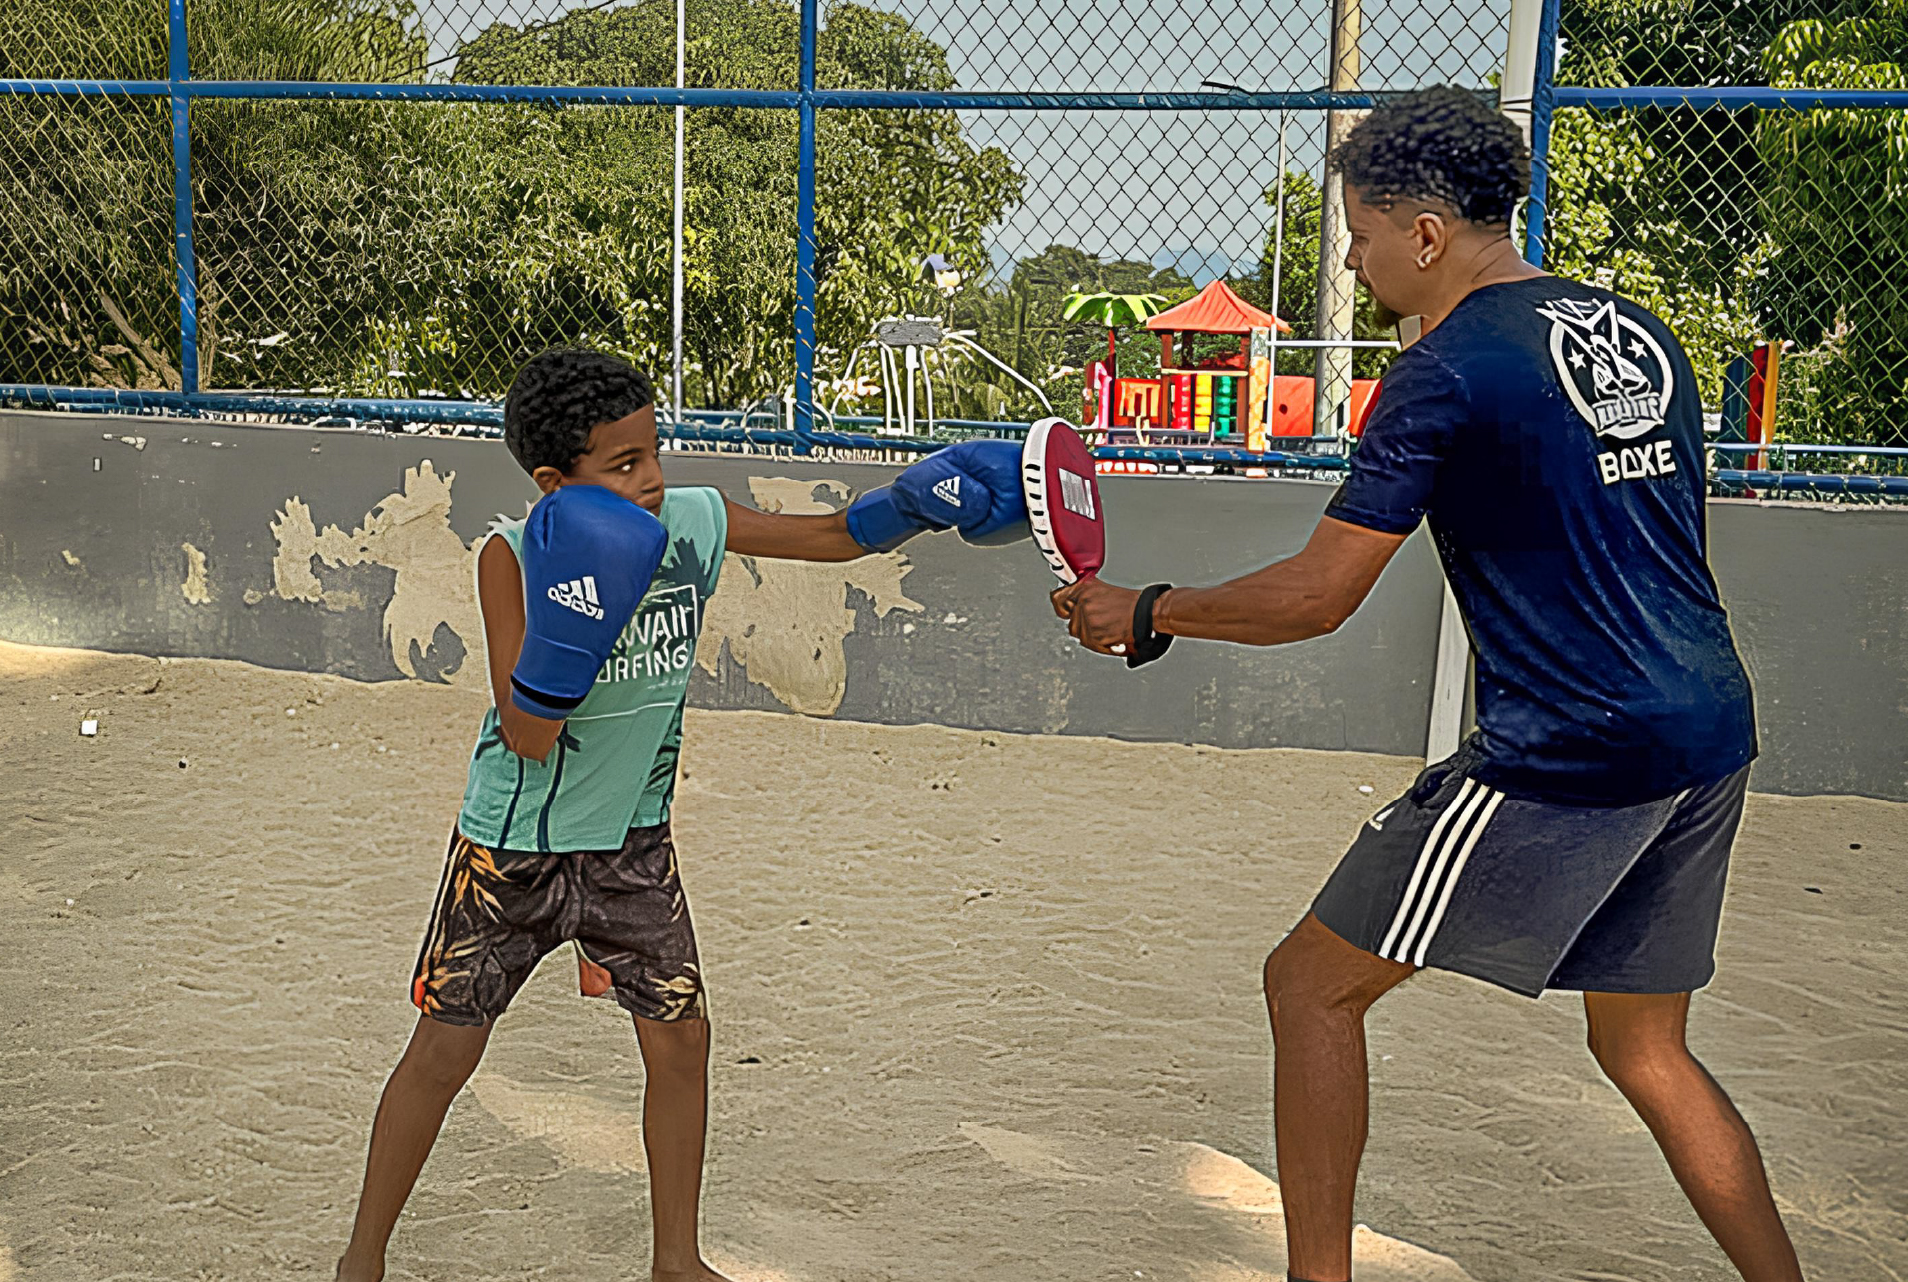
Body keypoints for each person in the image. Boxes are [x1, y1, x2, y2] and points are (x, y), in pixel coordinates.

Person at [1053, 86, 1803, 1282]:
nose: (1348, 260)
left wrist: (1147, 611)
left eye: (1356, 234)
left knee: (1307, 985)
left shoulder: (1444, 372)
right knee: (1645, 1045)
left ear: (1422, 232)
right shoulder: (1631, 330)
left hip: (1571, 746)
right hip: (1707, 719)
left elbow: (1317, 595)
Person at [334, 349, 1025, 1282]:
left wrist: (911, 503)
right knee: (445, 1054)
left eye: (653, 450)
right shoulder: (508, 554)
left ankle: (675, 1260)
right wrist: (582, 616)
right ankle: (362, 1257)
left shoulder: (690, 521)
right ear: (555, 482)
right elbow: (528, 732)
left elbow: (824, 539)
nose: (652, 478)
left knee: (681, 1041)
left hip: (633, 842)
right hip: (513, 849)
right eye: (622, 466)